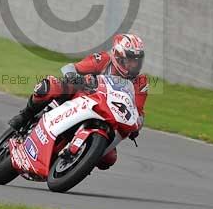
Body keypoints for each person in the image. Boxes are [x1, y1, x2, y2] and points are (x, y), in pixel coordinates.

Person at [8, 33, 148, 170]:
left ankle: (78, 164)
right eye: (130, 59)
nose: (134, 64)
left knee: (109, 159)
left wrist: (137, 124)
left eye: (137, 60)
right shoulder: (104, 59)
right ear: (118, 56)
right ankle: (25, 115)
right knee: (50, 86)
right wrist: (74, 76)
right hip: (82, 97)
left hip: (109, 114)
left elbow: (138, 110)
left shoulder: (141, 82)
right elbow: (73, 68)